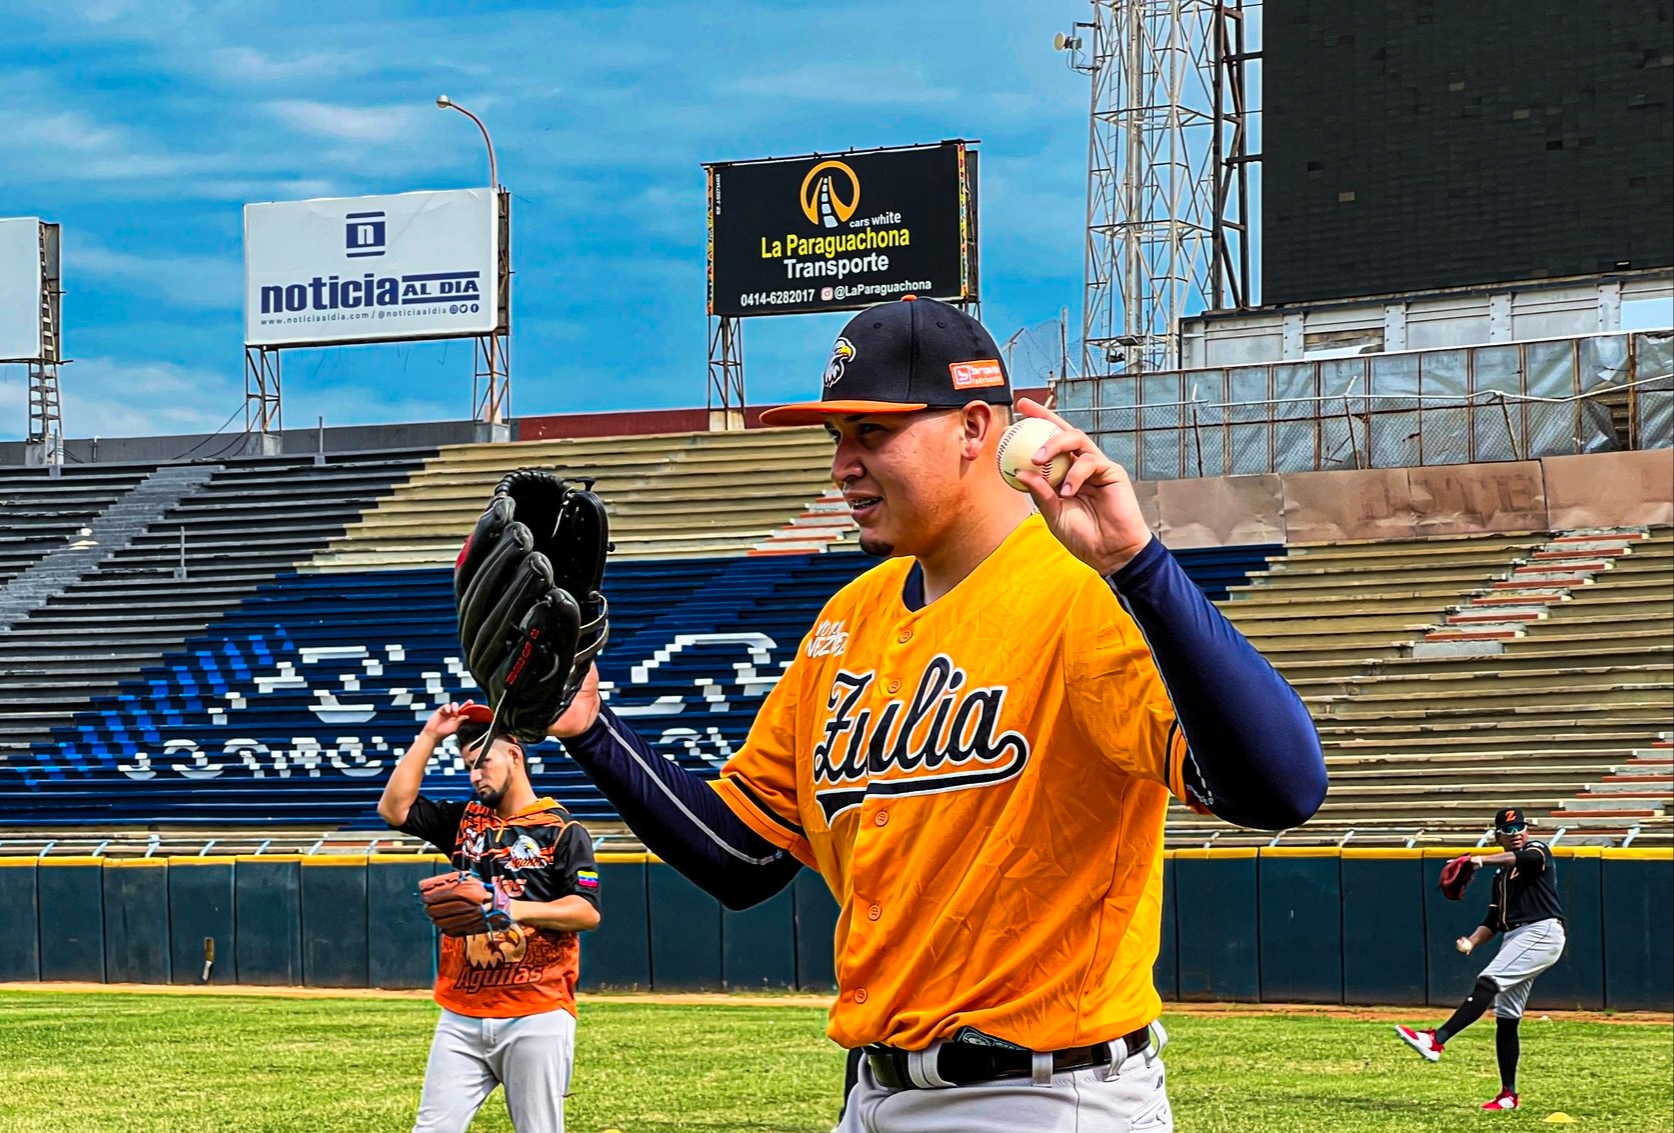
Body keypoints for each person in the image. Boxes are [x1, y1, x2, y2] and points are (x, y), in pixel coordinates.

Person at [543, 296, 1327, 1132]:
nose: (843, 463)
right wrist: (592, 726)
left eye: (872, 433)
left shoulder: (1079, 595)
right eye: (835, 437)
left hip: (1041, 1095)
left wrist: (1137, 565)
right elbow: (745, 855)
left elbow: (1280, 788)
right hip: (874, 1094)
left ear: (973, 426)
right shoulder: (849, 616)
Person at [377, 700, 602, 1133]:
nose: (475, 775)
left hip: (536, 1011)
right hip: (461, 1010)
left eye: (483, 762)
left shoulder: (562, 830)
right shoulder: (464, 822)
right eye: (468, 766)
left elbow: (586, 911)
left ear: (515, 755)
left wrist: (507, 907)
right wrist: (430, 737)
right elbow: (395, 810)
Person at [1395, 806, 1566, 1112]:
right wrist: (1472, 941)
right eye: (1509, 830)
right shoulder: (1501, 877)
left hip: (1541, 930)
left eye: (1520, 828)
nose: (1516, 834)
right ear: (1497, 834)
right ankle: (1508, 1095)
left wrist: (1478, 859)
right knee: (1507, 1017)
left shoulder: (1537, 850)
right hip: (1517, 936)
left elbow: (1522, 858)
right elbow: (1492, 921)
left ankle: (1437, 1039)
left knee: (1488, 981)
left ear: (1527, 831)